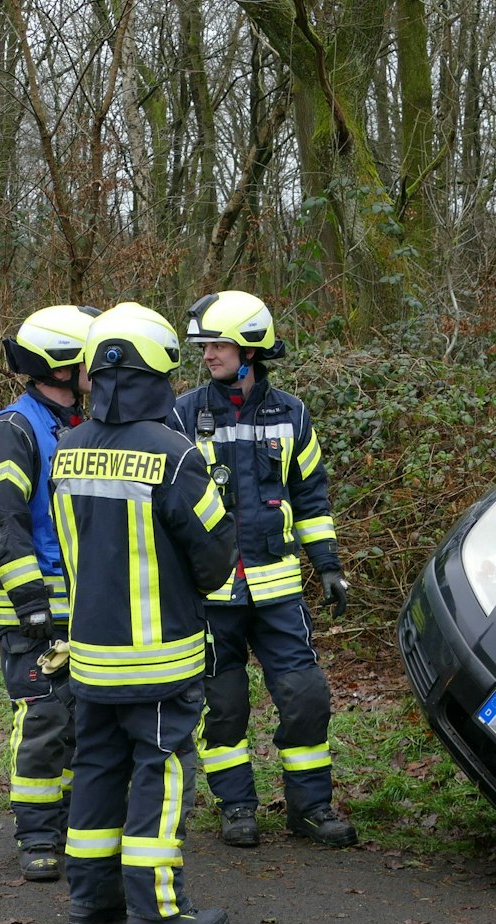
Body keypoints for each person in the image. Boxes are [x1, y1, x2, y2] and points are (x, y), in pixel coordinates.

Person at [53, 302, 239, 924]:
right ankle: (156, 910)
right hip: (159, 655)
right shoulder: (176, 454)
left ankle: (89, 899)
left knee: (98, 766)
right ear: (157, 367)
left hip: (89, 654)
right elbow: (215, 554)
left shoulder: (67, 449)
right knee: (162, 771)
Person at [169, 291, 357, 849]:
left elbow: (311, 495)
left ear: (250, 348)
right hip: (210, 594)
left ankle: (311, 809)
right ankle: (237, 808)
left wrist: (328, 566)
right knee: (222, 707)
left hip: (277, 591)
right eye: (204, 345)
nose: (207, 354)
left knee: (305, 698)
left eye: (218, 343)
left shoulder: (292, 414)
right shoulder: (182, 414)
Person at [0, 304, 98, 882]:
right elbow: (0, 521)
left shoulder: (76, 427)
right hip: (36, 612)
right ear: (64, 365)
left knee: (83, 720)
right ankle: (38, 833)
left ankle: (74, 822)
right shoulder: (14, 430)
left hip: (85, 606)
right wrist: (30, 603)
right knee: (45, 718)